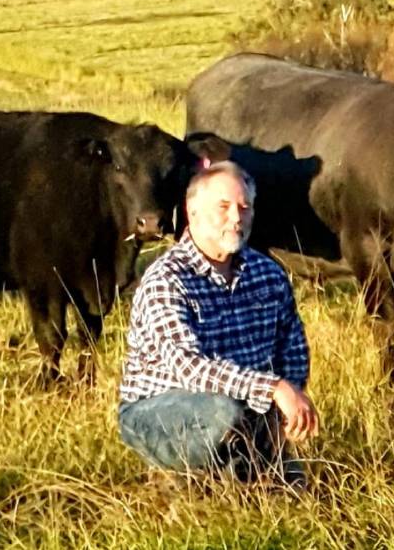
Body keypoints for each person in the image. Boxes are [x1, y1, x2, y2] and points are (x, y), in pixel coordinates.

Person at [117, 161, 318, 487]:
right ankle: (195, 478)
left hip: (244, 406)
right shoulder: (167, 279)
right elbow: (189, 368)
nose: (237, 218)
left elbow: (292, 347)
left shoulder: (268, 274)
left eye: (245, 207)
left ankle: (248, 470)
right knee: (223, 414)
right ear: (192, 211)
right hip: (158, 411)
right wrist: (273, 389)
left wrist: (284, 407)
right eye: (223, 207)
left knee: (292, 479)